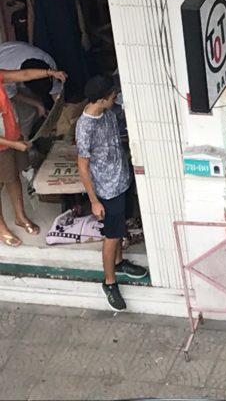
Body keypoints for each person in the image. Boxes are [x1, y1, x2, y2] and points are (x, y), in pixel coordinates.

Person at [75, 75, 147, 311]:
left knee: (119, 229)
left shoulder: (108, 113)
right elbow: (83, 165)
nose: (115, 96)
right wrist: (94, 201)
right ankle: (109, 281)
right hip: (106, 189)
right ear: (101, 99)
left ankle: (119, 262)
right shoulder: (85, 127)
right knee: (112, 236)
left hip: (121, 180)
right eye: (112, 94)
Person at [0, 64, 66, 247]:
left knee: (14, 178)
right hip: (4, 144)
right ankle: (1, 228)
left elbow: (23, 74)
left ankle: (20, 216)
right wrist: (14, 144)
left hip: (11, 136)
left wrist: (49, 73)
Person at [26, 0, 89, 102]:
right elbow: (31, 15)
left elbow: (77, 6)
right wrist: (30, 44)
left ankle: (78, 99)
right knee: (50, 65)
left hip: (68, 30)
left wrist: (84, 33)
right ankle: (57, 102)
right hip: (45, 33)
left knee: (75, 63)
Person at [0, 41, 63, 114]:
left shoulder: (48, 63)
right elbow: (13, 95)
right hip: (11, 59)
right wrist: (37, 104)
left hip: (19, 54)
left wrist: (50, 73)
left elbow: (56, 93)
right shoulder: (5, 76)